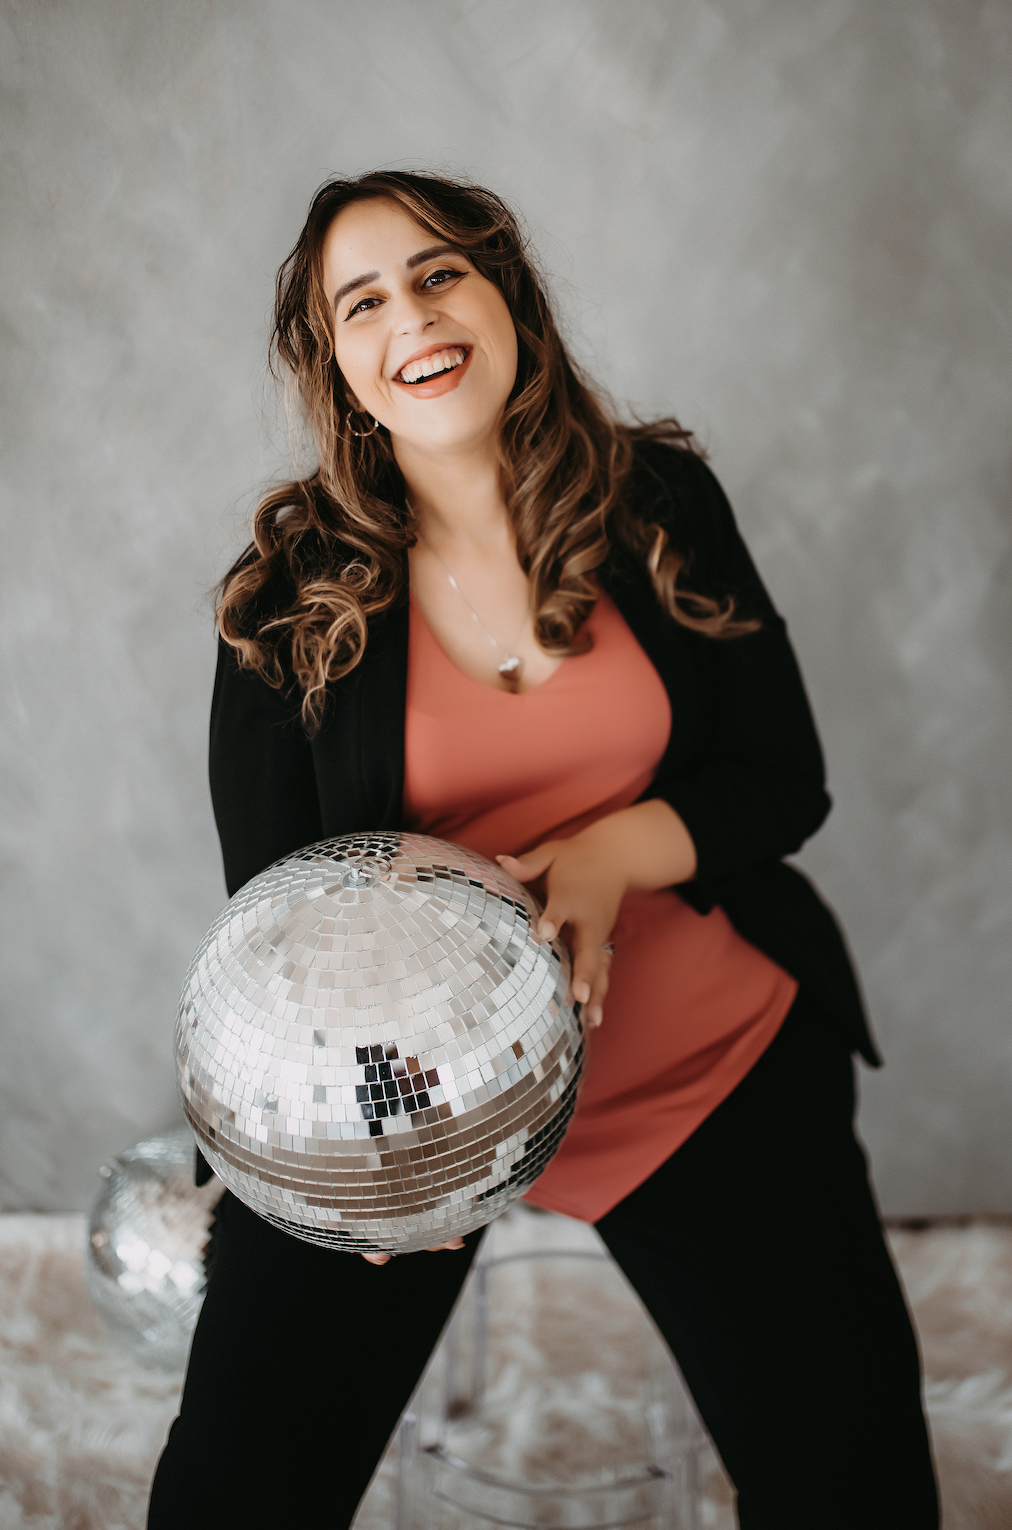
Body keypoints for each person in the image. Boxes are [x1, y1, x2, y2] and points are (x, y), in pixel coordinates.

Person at [148, 170, 938, 1528]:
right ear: (336, 366)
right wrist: (365, 1171)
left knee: (859, 1494)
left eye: (440, 273)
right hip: (406, 1118)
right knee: (236, 1493)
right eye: (363, 302)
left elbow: (781, 779)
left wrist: (606, 856)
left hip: (699, 1064)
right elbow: (276, 939)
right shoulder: (291, 602)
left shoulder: (659, 499)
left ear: (507, 295)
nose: (413, 316)